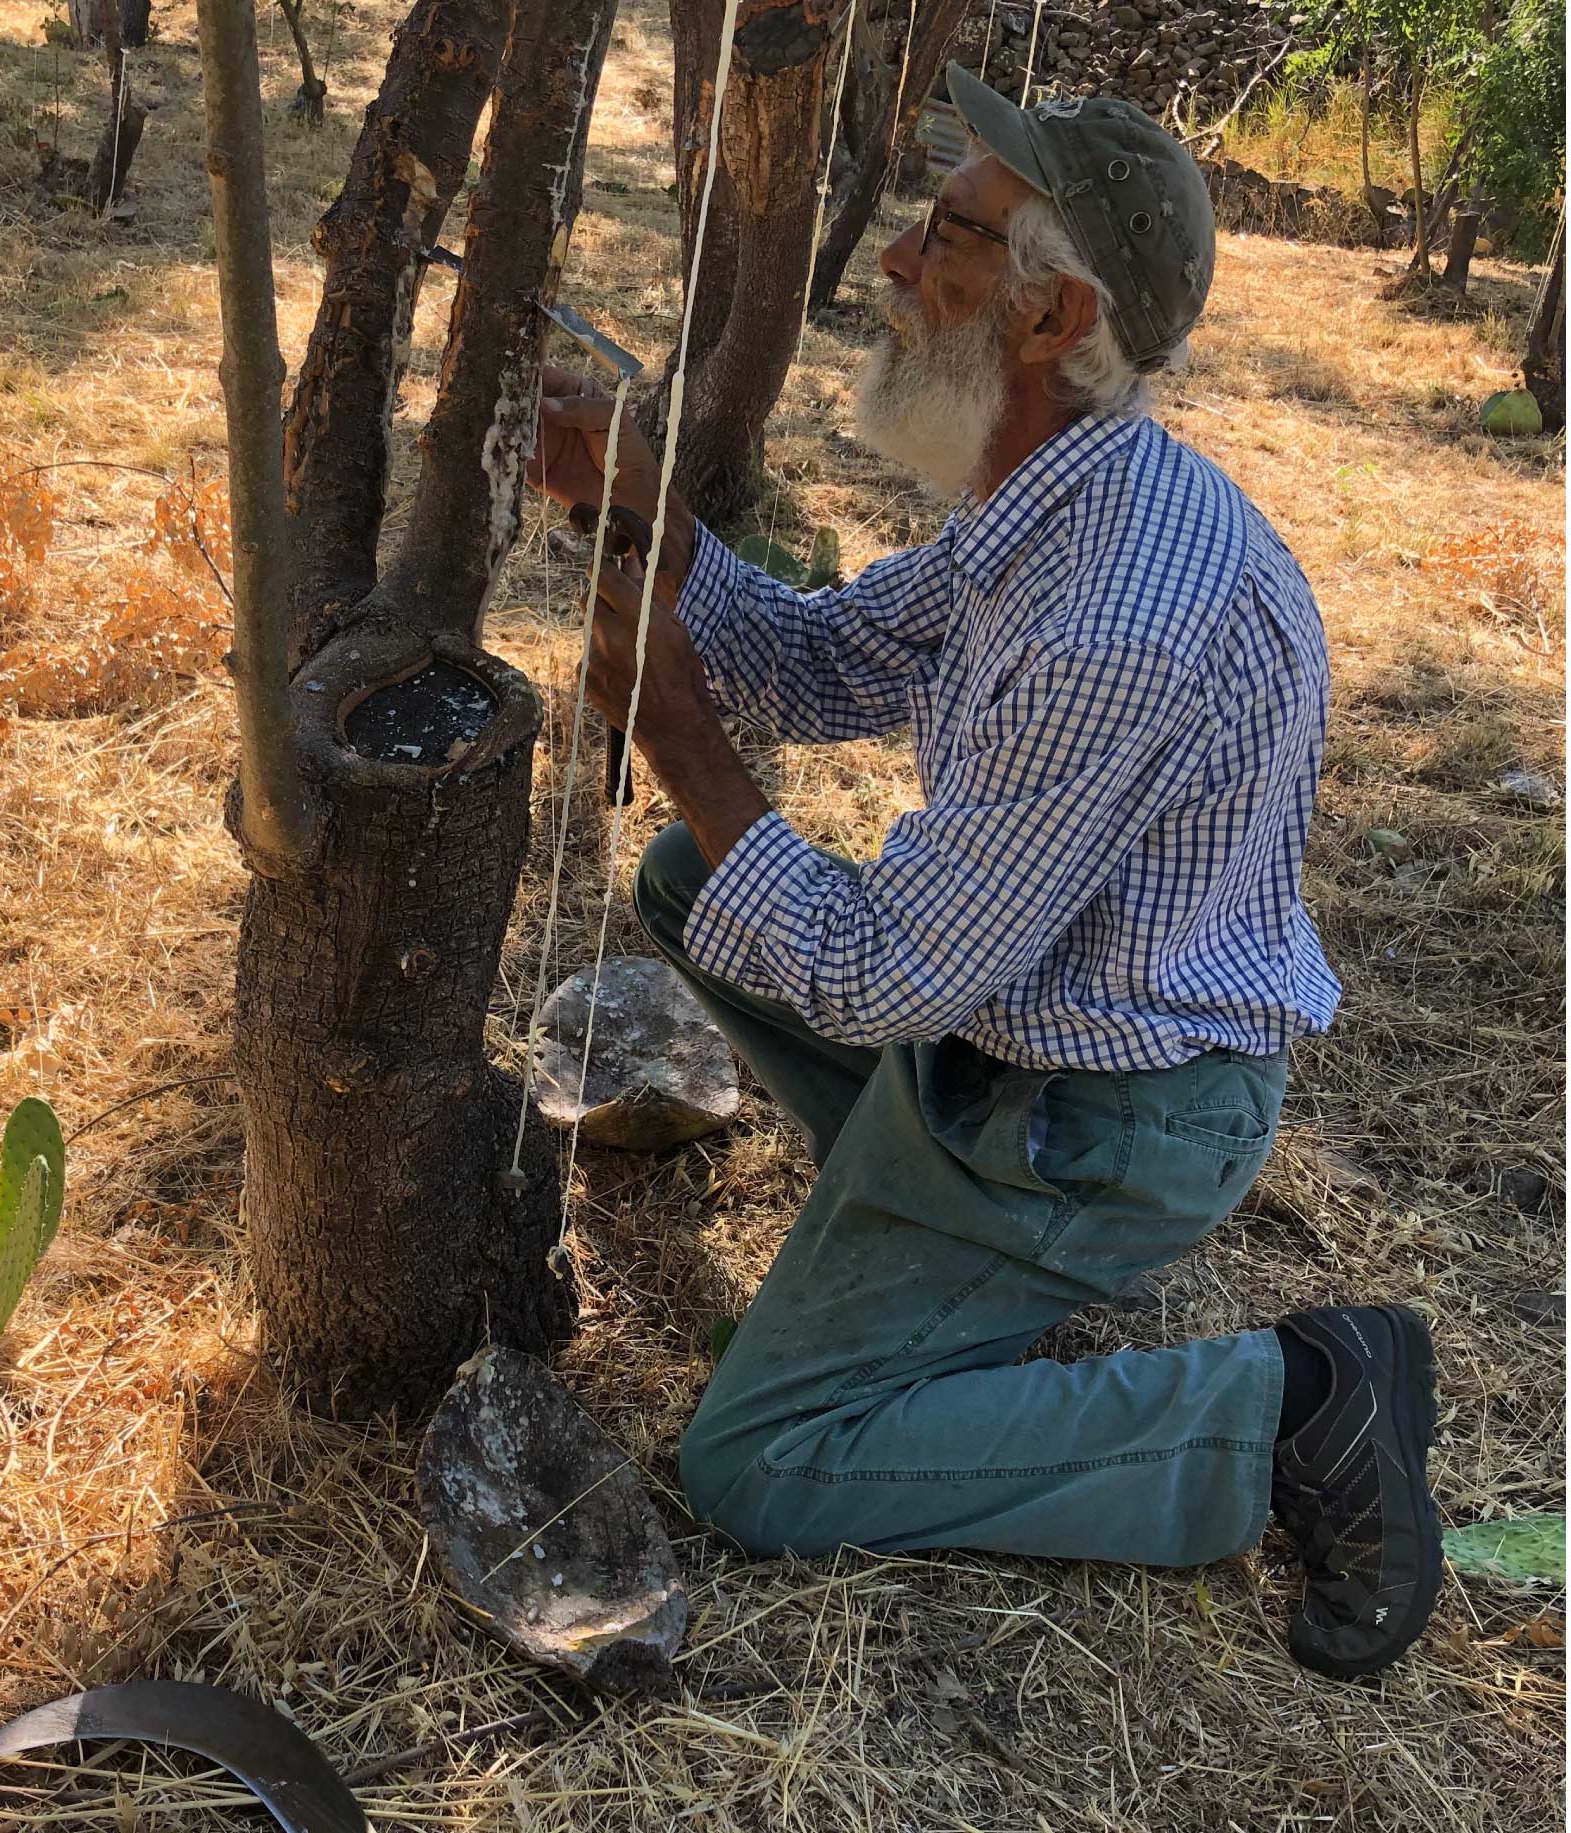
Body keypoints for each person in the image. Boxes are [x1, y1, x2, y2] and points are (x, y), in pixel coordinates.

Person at [528, 67, 1442, 1681]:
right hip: (1030, 1031)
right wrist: (648, 524)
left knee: (761, 1458)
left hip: (1104, 1122)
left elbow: (888, 976)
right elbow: (829, 660)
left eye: (943, 234)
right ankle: (918, 1231)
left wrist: (672, 722)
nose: (890, 266)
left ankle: (1290, 1406)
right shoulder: (1062, 495)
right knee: (698, 880)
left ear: (1047, 317)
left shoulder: (1117, 620)